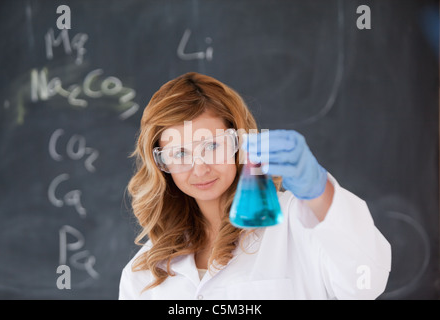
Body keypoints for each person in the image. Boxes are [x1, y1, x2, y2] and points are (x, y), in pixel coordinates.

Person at [119, 72, 391, 299]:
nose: (199, 168)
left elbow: (365, 282)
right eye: (179, 153)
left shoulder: (295, 222)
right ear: (160, 164)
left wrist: (319, 191)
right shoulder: (142, 273)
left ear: (240, 142)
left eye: (213, 146)